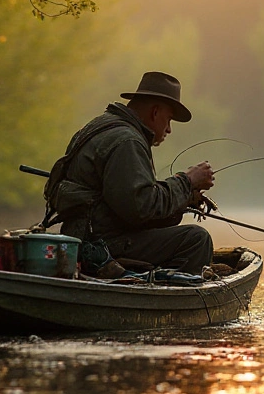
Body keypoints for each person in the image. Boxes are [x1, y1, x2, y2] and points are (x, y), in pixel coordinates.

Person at [49, 71, 215, 276]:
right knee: (197, 239)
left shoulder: (98, 126)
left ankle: (151, 280)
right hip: (101, 245)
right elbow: (140, 209)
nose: (169, 129)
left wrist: (185, 199)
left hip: (82, 239)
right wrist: (186, 181)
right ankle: (162, 297)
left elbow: (130, 202)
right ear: (155, 112)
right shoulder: (128, 141)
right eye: (169, 119)